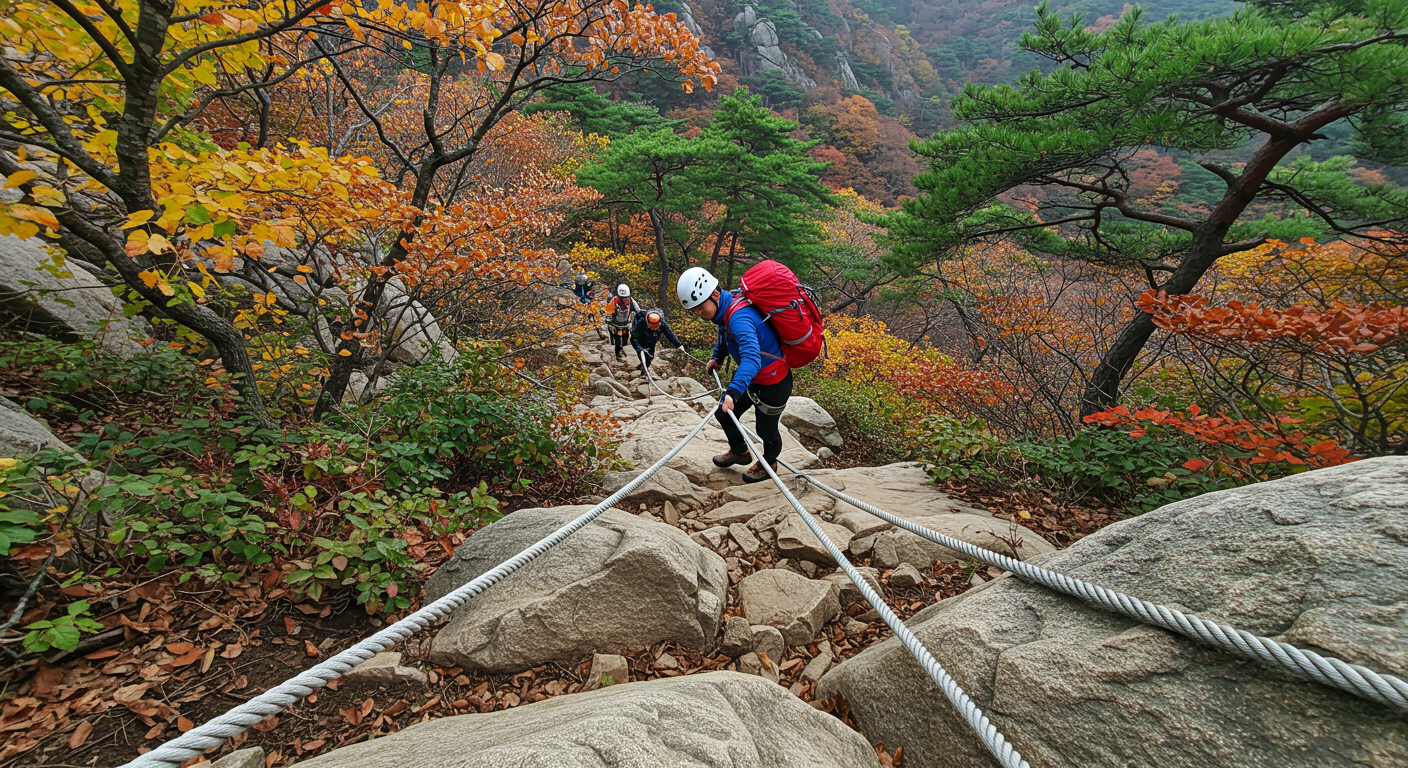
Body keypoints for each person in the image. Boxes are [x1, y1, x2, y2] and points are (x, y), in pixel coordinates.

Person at [677, 266, 791, 484]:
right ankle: (740, 452)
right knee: (724, 414)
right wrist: (717, 358)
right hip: (756, 379)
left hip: (774, 383)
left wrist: (733, 392)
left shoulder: (739, 317)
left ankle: (769, 463)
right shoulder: (727, 308)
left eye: (701, 309)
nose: (699, 314)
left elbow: (752, 358)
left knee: (765, 429)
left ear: (715, 294)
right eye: (694, 311)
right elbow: (724, 333)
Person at [606, 284, 641, 360]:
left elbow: (638, 310)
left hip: (626, 324)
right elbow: (609, 311)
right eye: (622, 298)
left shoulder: (631, 301)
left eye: (625, 298)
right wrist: (609, 319)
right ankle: (617, 353)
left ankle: (622, 348)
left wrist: (641, 316)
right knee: (617, 340)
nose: (623, 300)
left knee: (625, 340)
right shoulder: (614, 301)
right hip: (616, 324)